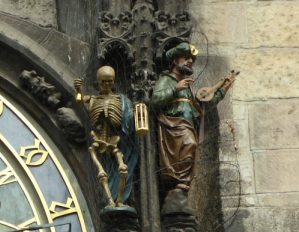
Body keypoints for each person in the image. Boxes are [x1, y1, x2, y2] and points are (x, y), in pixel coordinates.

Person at [151, 42, 236, 192]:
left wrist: (224, 89)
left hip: (187, 125)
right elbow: (156, 100)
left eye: (191, 59)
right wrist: (175, 89)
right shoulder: (167, 80)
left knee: (191, 147)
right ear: (175, 61)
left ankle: (182, 181)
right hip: (173, 126)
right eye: (185, 58)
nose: (190, 61)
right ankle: (179, 180)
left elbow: (202, 106)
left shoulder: (187, 87)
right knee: (190, 143)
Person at [74, 65, 138, 207]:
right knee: (102, 169)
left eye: (110, 81)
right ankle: (109, 200)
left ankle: (120, 199)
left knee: (122, 167)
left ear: (114, 81)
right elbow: (79, 101)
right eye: (103, 81)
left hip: (116, 140)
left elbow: (128, 117)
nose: (107, 84)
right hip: (98, 139)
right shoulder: (92, 99)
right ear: (98, 82)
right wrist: (78, 90)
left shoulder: (122, 101)